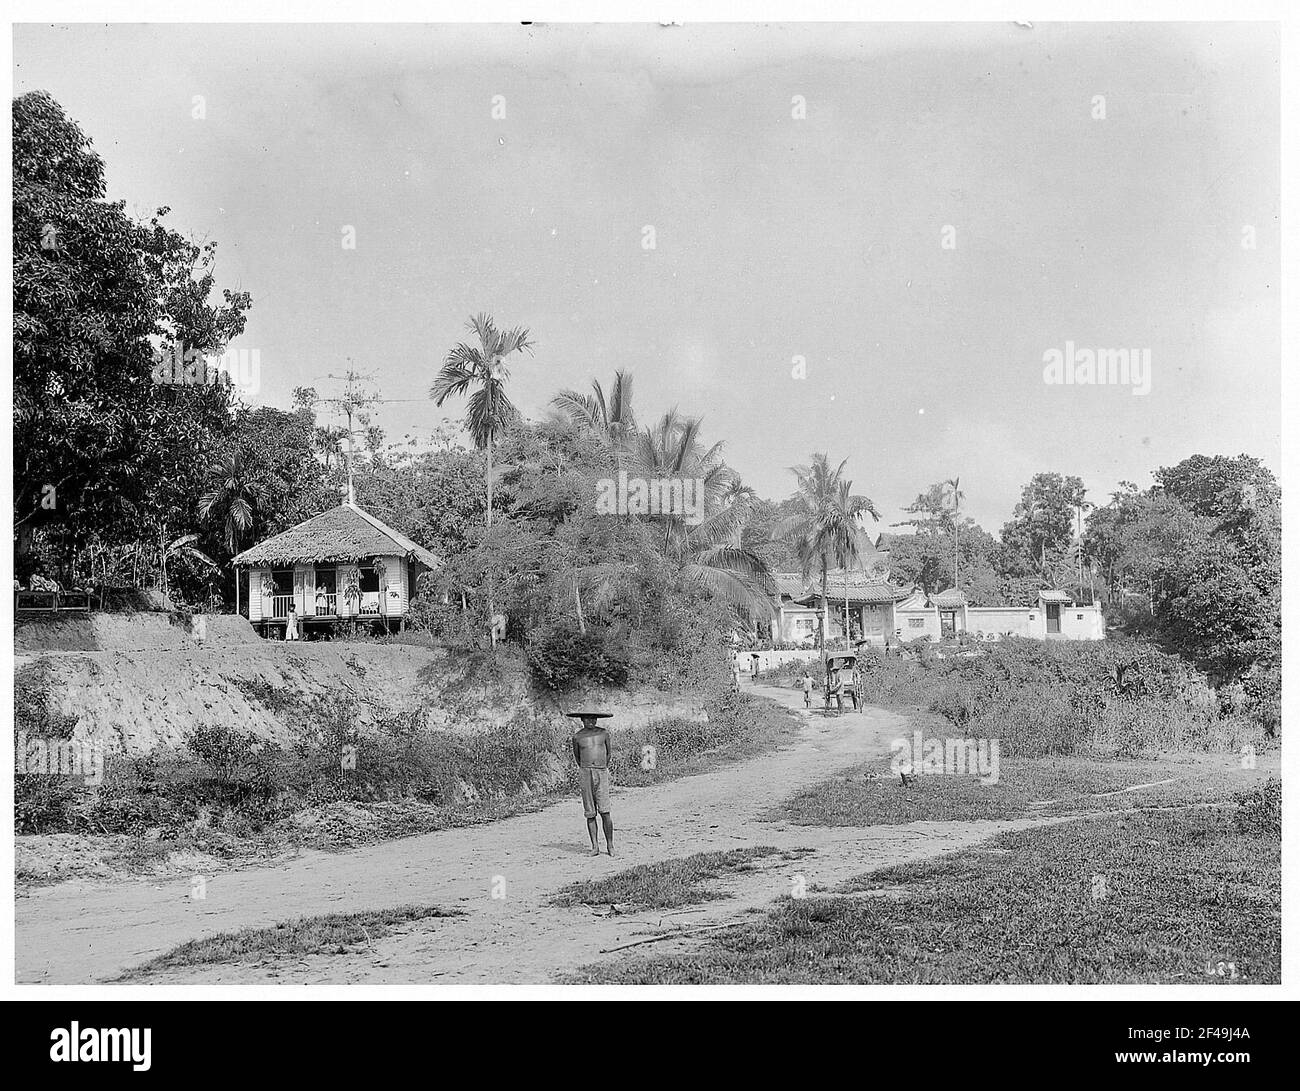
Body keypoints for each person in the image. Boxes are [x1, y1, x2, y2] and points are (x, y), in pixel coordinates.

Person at [569, 712, 615, 856]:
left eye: (594, 718)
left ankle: (610, 845)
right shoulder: (577, 737)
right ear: (582, 720)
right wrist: (587, 769)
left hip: (601, 771)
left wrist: (601, 767)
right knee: (590, 812)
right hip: (585, 772)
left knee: (605, 811)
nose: (591, 721)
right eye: (588, 718)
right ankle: (595, 846)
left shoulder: (603, 733)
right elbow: (577, 757)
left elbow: (608, 753)